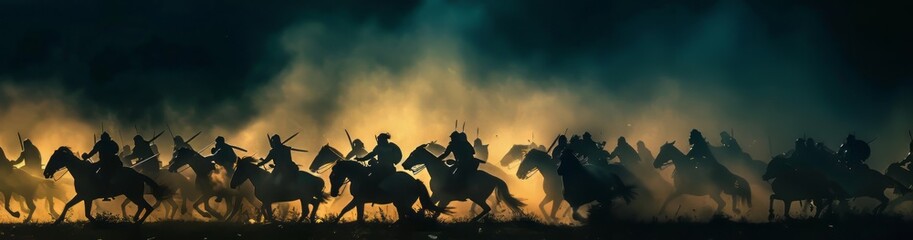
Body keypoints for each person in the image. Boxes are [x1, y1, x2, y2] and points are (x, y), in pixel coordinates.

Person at [83, 132, 122, 200]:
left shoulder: (101, 144)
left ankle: (106, 193)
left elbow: (94, 151)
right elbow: (116, 150)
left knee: (103, 176)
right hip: (109, 162)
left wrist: (87, 156)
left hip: (108, 163)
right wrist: (87, 156)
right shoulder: (111, 143)